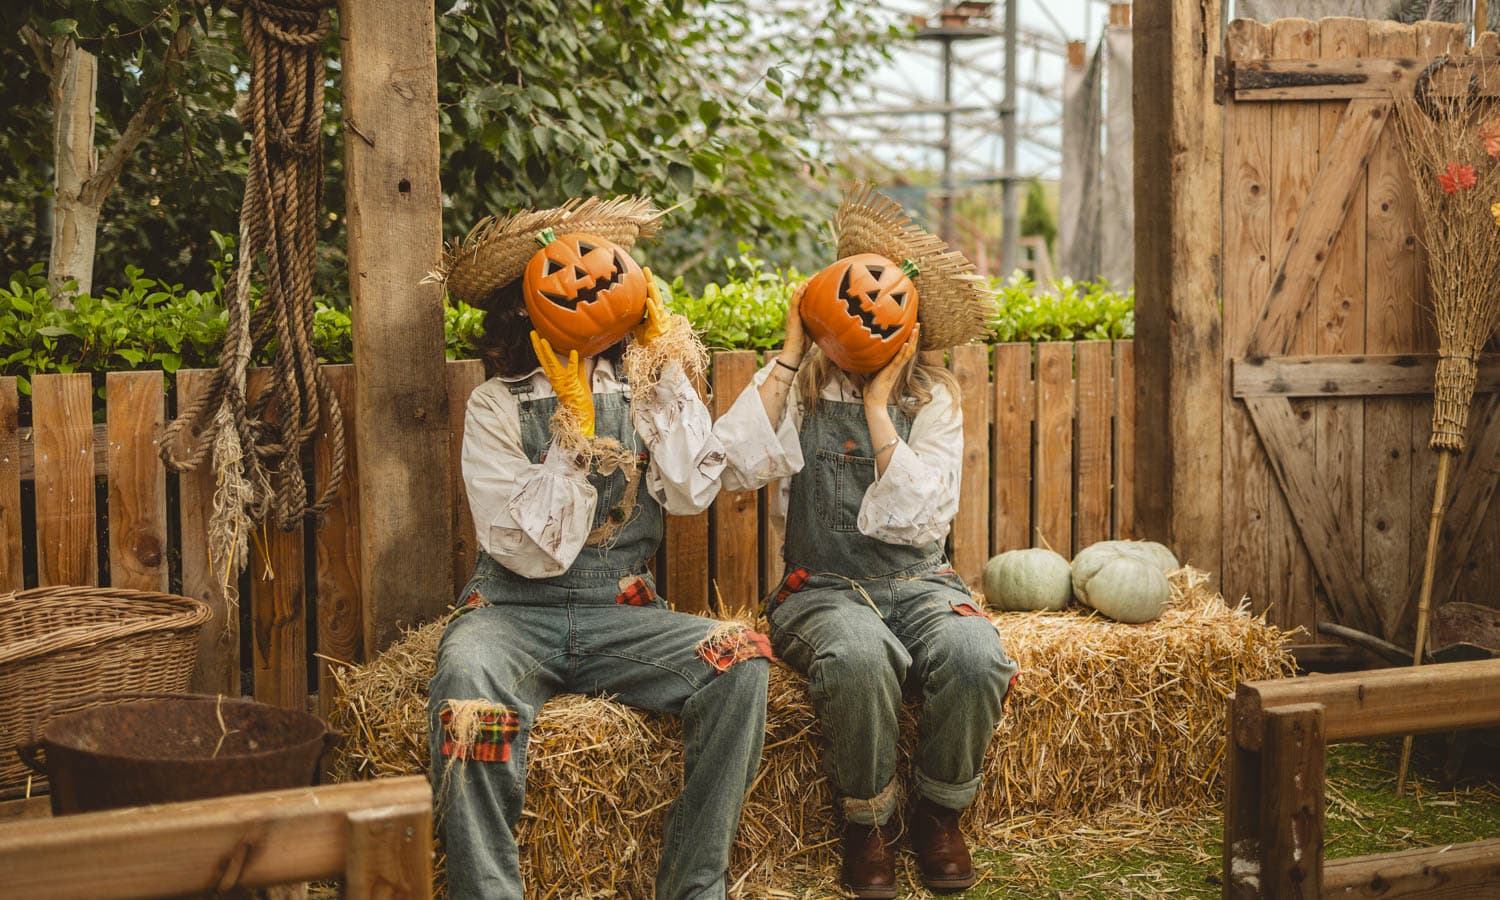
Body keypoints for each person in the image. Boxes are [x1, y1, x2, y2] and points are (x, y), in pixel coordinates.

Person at [427, 197, 771, 899]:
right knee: (468, 696)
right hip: (510, 615)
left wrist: (660, 359)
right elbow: (529, 553)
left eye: (606, 275)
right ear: (525, 308)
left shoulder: (649, 389)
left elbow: (688, 491)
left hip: (623, 612)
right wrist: (573, 432)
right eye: (559, 279)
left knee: (739, 663)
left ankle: (694, 883)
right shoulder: (496, 405)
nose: (587, 284)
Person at [713, 186, 1018, 898]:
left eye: (885, 301)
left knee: (977, 656)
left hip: (921, 584)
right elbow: (729, 466)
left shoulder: (932, 401)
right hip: (820, 588)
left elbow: (924, 520)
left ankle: (940, 814)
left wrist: (879, 406)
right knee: (858, 653)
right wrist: (791, 354)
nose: (865, 308)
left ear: (910, 326)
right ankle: (868, 823)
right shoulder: (797, 388)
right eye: (850, 294)